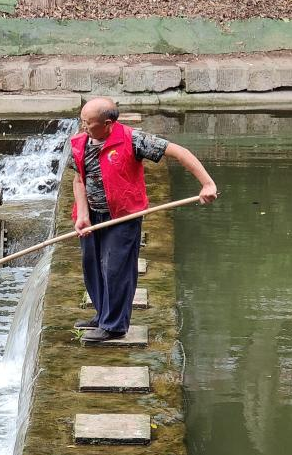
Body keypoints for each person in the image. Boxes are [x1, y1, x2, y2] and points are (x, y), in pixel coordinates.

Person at [71, 97, 219, 341]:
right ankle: (102, 314)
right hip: (92, 216)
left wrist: (207, 183)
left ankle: (114, 326)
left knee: (115, 268)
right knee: (93, 266)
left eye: (88, 123)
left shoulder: (132, 140)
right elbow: (79, 180)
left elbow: (180, 152)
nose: (83, 127)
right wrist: (84, 215)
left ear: (108, 123)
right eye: (82, 121)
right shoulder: (81, 143)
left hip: (124, 217)